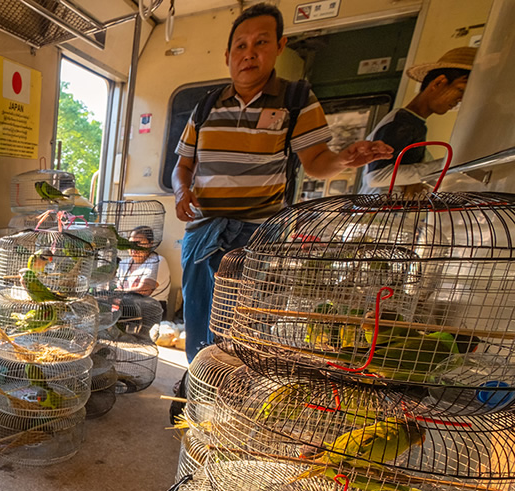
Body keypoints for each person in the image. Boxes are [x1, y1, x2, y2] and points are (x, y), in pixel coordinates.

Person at [171, 2, 393, 363]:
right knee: (198, 314)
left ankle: (230, 390)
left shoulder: (296, 99)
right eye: (240, 46)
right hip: (203, 230)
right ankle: (196, 383)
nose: (249, 53)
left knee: (242, 321)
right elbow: (182, 165)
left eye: (261, 43)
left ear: (279, 46)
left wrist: (342, 159)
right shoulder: (206, 106)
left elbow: (317, 162)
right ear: (228, 55)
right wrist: (182, 190)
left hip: (256, 232)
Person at [362, 47, 477, 195]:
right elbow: (376, 177)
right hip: (377, 213)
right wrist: (450, 165)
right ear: (438, 83)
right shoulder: (402, 122)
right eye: (460, 90)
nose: (460, 99)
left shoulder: (415, 123)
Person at [115, 226, 170, 302]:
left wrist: (117, 293)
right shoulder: (123, 264)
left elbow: (144, 291)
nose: (134, 248)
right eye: (131, 243)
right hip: (126, 307)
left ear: (150, 244)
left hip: (151, 309)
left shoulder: (157, 261)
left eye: (138, 243)